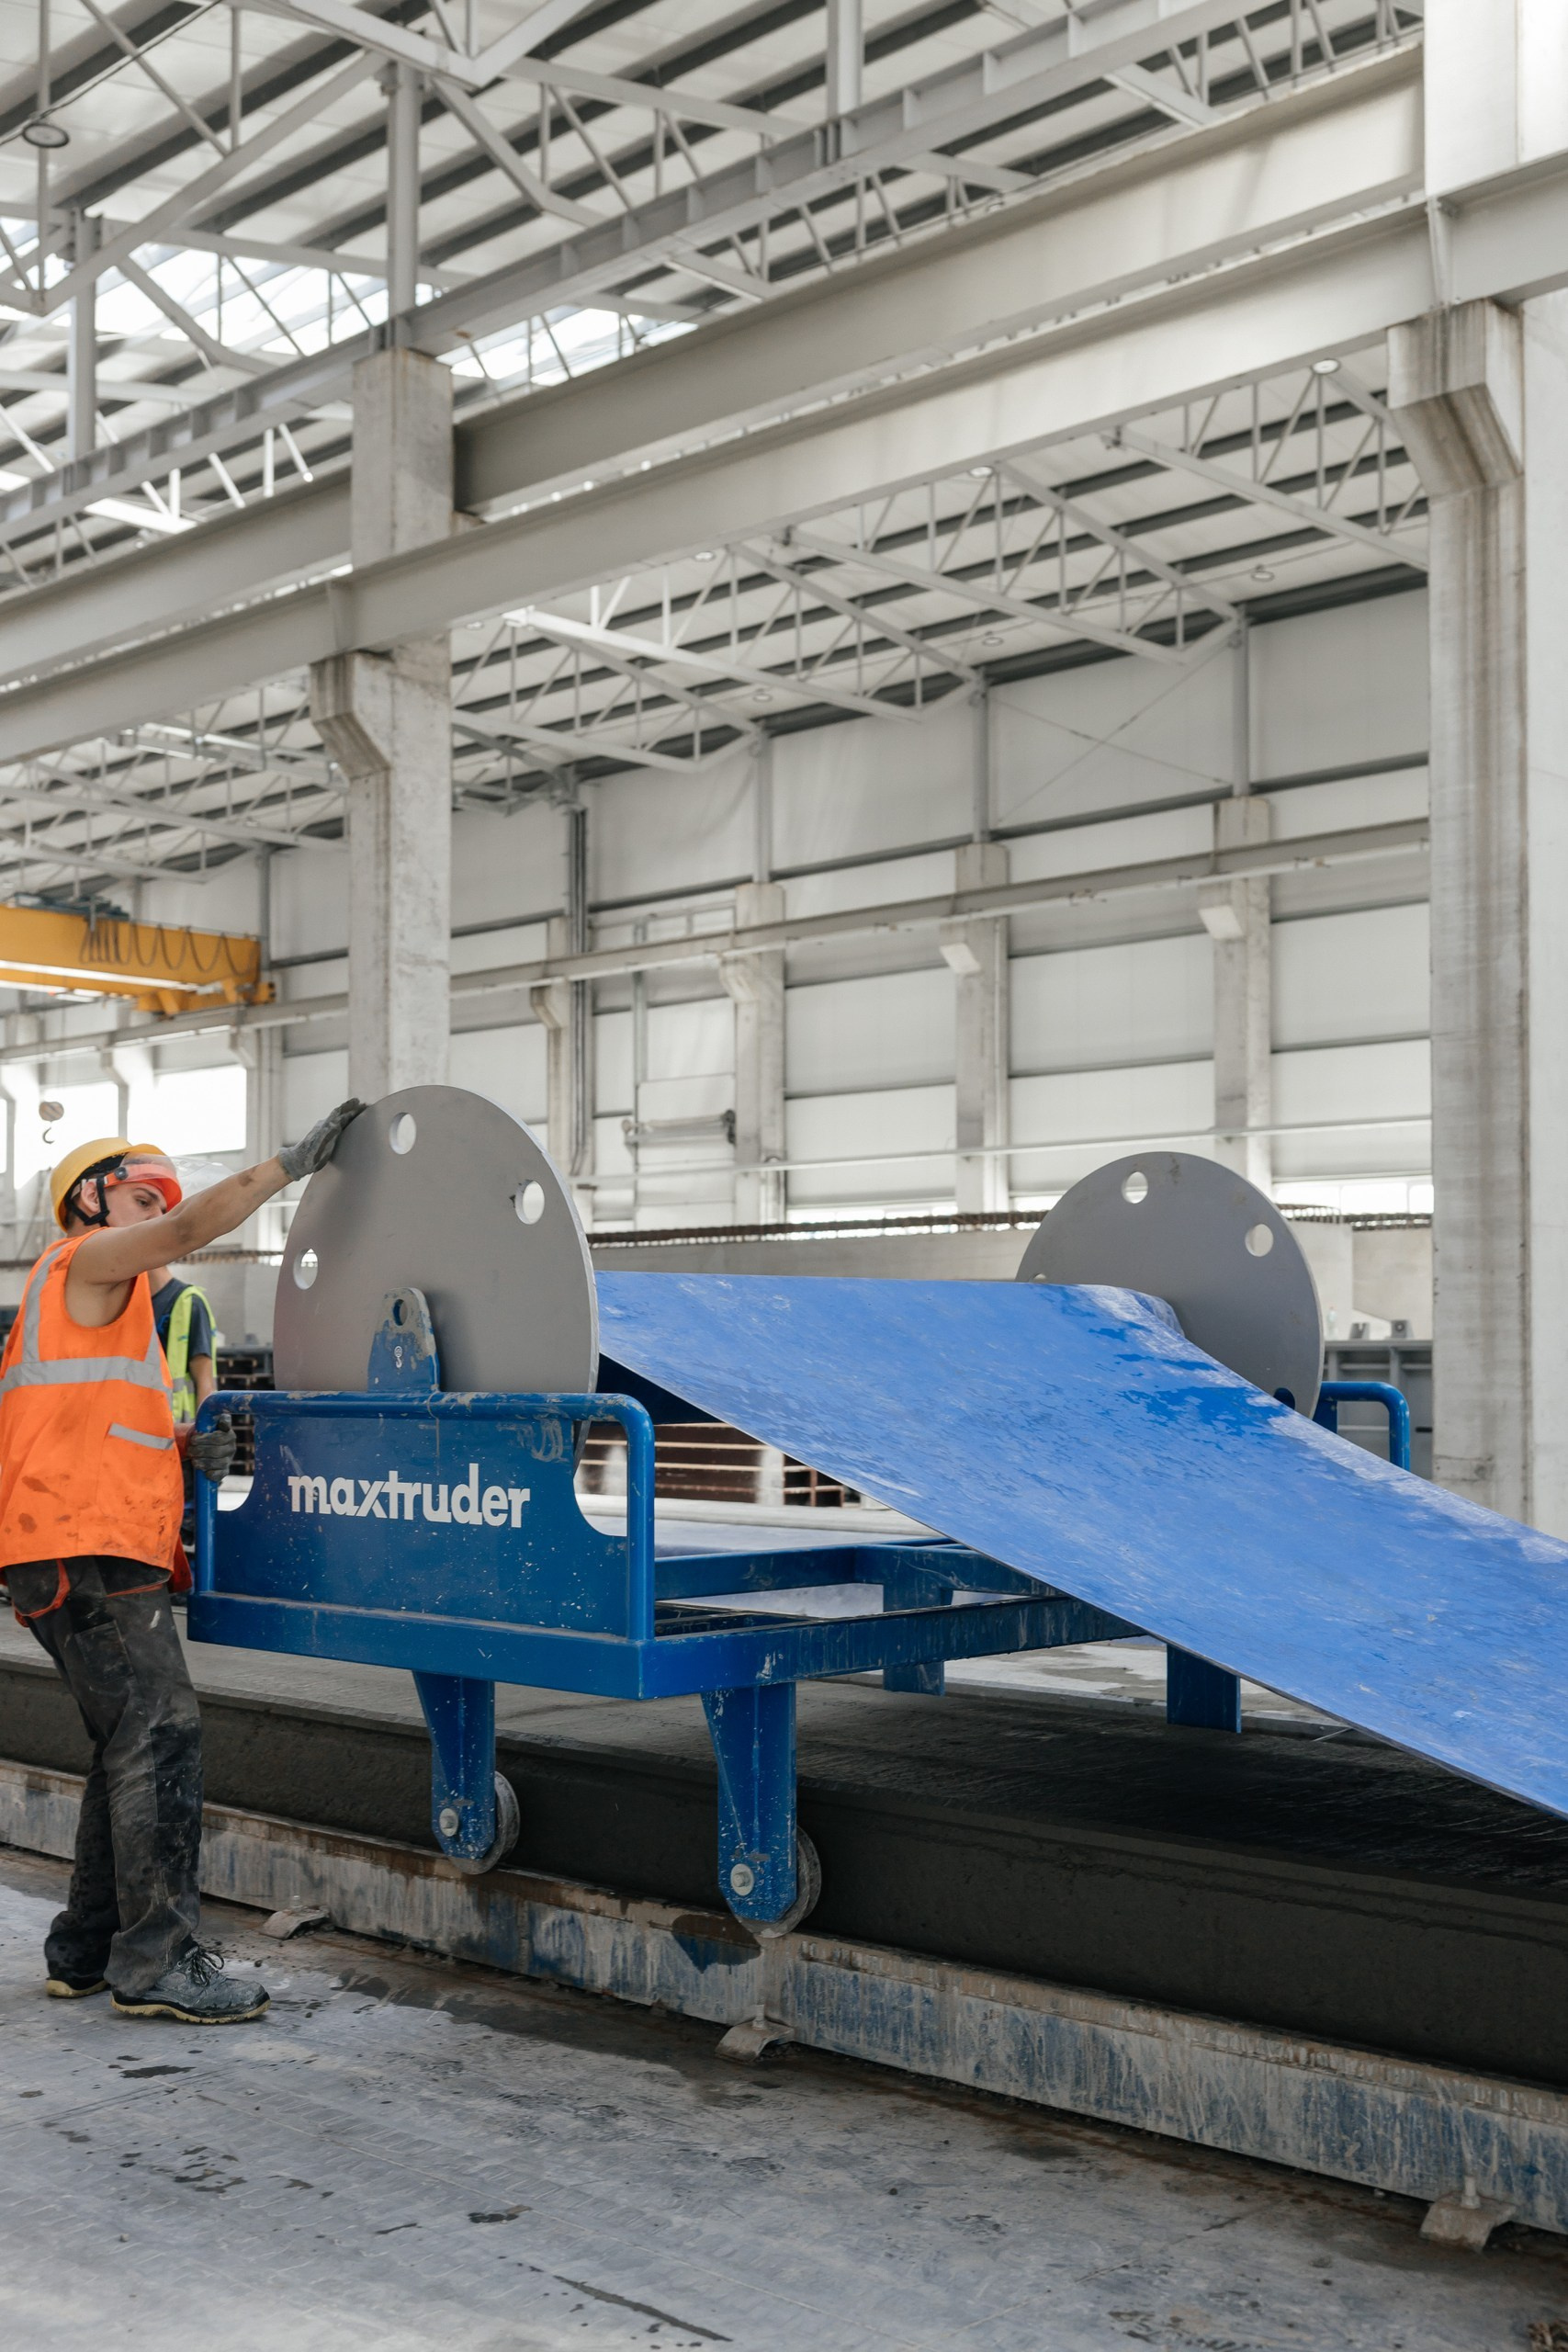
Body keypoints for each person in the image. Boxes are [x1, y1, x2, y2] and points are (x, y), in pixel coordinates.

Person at [0, 1102, 363, 2024]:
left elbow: (95, 1425)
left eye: (160, 1199)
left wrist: (182, 1445)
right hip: (83, 1545)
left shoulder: (104, 1308)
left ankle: (86, 1948)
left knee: (125, 1739)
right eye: (138, 1196)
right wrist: (285, 1167)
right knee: (162, 1732)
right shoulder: (82, 1261)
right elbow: (191, 1228)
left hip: (78, 1543)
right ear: (89, 1202)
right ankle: (159, 1961)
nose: (157, 1214)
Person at [148, 1261, 218, 1548]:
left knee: (183, 1529)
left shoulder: (189, 1302)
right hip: (146, 1438)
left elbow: (205, 1380)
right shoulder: (132, 1305)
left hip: (182, 1441)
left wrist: (204, 1438)